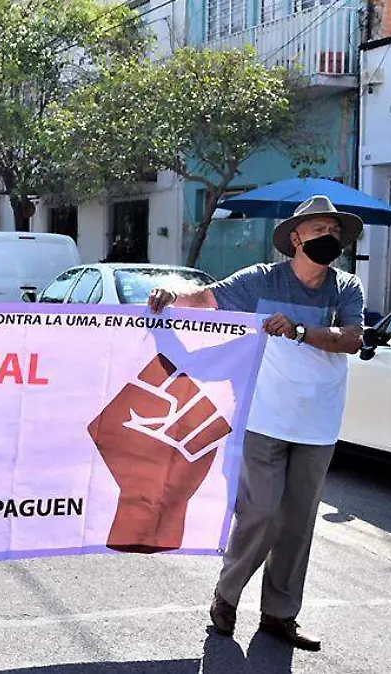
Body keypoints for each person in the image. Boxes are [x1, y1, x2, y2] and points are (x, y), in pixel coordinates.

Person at [148, 195, 365, 652]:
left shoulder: (345, 288)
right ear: (295, 238)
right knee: (261, 513)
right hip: (264, 416)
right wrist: (169, 301)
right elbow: (207, 301)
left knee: (297, 523)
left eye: (334, 232)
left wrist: (303, 331)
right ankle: (227, 595)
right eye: (319, 230)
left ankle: (280, 614)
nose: (329, 238)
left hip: (318, 421)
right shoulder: (260, 280)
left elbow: (352, 338)